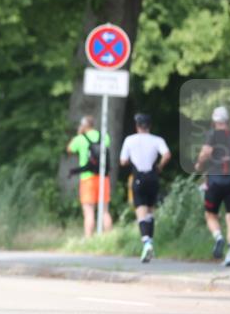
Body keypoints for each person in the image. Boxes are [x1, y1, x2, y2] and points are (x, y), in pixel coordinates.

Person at [195, 106, 230, 267]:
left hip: (214, 181)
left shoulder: (212, 135)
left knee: (210, 215)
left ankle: (218, 237)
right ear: (228, 121)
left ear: (214, 121)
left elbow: (205, 153)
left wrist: (199, 164)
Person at [119, 113, 171, 263]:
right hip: (153, 177)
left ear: (137, 126)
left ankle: (146, 243)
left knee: (140, 212)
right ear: (150, 126)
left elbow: (123, 161)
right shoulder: (157, 140)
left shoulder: (130, 140)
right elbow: (167, 154)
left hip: (138, 178)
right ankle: (150, 244)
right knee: (150, 211)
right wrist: (159, 166)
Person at [67, 115, 113, 237]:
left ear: (83, 125)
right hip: (103, 177)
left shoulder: (80, 138)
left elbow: (69, 149)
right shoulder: (104, 136)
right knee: (104, 211)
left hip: (87, 178)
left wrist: (79, 134)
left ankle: (89, 240)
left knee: (88, 212)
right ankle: (109, 239)